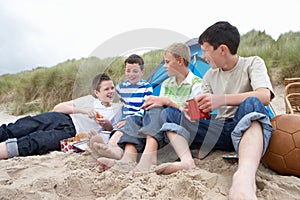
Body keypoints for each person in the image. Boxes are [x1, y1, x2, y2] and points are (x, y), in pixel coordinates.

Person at [154, 21, 275, 200]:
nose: (202, 56)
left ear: (222, 49)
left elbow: (264, 96)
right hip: (219, 130)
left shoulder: (252, 63)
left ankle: (244, 178)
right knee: (171, 114)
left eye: (205, 50)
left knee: (251, 102)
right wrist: (192, 110)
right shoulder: (210, 75)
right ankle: (187, 161)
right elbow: (204, 109)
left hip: (247, 130)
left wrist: (221, 100)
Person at [97, 42, 203, 173]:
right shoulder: (166, 83)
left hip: (180, 132)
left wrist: (168, 102)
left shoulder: (197, 84)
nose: (164, 66)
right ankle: (128, 158)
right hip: (162, 130)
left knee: (159, 109)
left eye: (167, 62)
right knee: (135, 117)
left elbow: (196, 116)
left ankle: (149, 157)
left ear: (180, 61)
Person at [0, 73, 122, 159]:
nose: (111, 91)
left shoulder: (116, 109)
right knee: (23, 126)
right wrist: (83, 111)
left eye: (112, 88)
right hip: (62, 118)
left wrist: (106, 123)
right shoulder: (89, 100)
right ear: (97, 92)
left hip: (72, 133)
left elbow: (113, 130)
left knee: (37, 141)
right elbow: (58, 108)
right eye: (106, 89)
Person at [88, 54, 153, 160]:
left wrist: (130, 119)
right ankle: (111, 147)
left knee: (123, 129)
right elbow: (108, 96)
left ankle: (114, 151)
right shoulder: (121, 87)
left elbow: (146, 107)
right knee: (118, 131)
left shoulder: (146, 87)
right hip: (124, 120)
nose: (131, 74)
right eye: (128, 71)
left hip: (139, 118)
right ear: (125, 70)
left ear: (142, 72)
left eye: (135, 71)